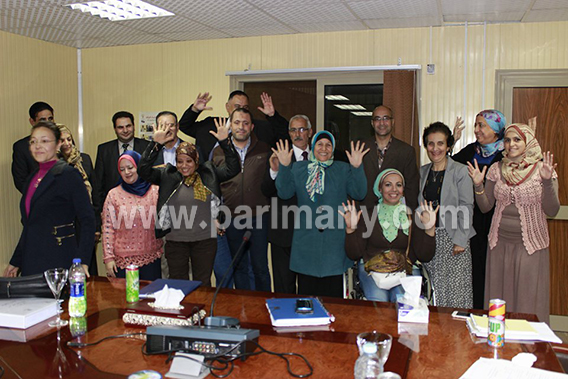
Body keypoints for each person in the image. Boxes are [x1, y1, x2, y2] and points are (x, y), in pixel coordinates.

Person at [468, 118, 559, 323]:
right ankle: (499, 344)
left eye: (517, 139)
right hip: (499, 244)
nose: (512, 144)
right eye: (508, 140)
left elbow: (552, 210)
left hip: (530, 246)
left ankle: (527, 347)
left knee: (526, 302)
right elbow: (485, 206)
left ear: (528, 142)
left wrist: (546, 182)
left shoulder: (542, 170)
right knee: (499, 301)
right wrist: (478, 186)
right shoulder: (496, 169)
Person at [138, 117, 240, 286]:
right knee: (178, 285)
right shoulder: (168, 175)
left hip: (205, 241)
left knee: (203, 283)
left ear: (196, 160)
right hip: (176, 242)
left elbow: (233, 168)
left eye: (188, 161)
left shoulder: (209, 173)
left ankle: (203, 313)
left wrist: (225, 142)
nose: (184, 166)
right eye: (180, 161)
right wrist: (155, 144)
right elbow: (143, 170)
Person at [273, 131, 368, 298]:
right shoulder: (299, 168)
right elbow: (284, 193)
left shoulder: (342, 169)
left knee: (333, 303)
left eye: (328, 145)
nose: (324, 149)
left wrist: (357, 167)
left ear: (333, 148)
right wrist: (284, 167)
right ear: (312, 147)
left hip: (334, 245)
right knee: (307, 303)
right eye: (319, 144)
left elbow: (359, 193)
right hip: (306, 244)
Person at [4, 121, 95, 277]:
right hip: (31, 260)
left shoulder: (68, 174)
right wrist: (15, 261)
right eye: (33, 141)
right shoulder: (32, 178)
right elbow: (30, 226)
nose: (38, 146)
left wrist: (83, 262)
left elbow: (87, 220)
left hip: (59, 258)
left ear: (58, 144)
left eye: (45, 141)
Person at [342, 169, 438, 302]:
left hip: (404, 270)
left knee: (403, 300)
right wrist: (350, 230)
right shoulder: (367, 215)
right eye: (388, 185)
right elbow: (354, 254)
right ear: (379, 188)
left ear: (403, 189)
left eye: (398, 185)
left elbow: (425, 256)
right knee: (378, 300)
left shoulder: (412, 217)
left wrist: (429, 230)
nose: (394, 189)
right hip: (372, 270)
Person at [211, 108, 272, 291]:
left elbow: (270, 182)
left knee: (260, 267)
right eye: (237, 123)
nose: (241, 127)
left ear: (252, 126)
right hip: (231, 217)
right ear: (231, 126)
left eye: (245, 123)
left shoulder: (264, 149)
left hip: (259, 216)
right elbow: (213, 186)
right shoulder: (219, 152)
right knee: (239, 266)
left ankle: (265, 306)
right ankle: (243, 307)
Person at [452, 110, 507, 309]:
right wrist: (452, 141)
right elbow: (448, 166)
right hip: (474, 222)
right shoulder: (470, 151)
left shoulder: (506, 154)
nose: (476, 130)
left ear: (496, 129)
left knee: (497, 273)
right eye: (476, 125)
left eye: (481, 125)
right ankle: (478, 314)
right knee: (476, 271)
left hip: (498, 222)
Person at [419, 122, 475, 308]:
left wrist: (461, 239)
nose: (435, 149)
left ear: (448, 145)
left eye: (440, 143)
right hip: (430, 238)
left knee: (457, 295)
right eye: (431, 144)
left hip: (454, 239)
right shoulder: (422, 172)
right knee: (434, 294)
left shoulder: (460, 171)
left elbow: (467, 205)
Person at [261, 115, 313, 294]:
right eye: (293, 130)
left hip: (311, 234)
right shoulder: (278, 154)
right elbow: (266, 190)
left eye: (302, 129)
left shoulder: (322, 155)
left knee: (309, 288)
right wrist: (275, 170)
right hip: (283, 233)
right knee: (284, 288)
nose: (297, 134)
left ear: (310, 132)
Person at [101, 151, 162, 280]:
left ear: (139, 167)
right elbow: (108, 228)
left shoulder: (155, 191)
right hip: (123, 262)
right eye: (122, 169)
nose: (127, 172)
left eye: (130, 167)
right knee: (125, 299)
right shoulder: (113, 195)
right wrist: (108, 258)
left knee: (151, 298)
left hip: (151, 259)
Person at [179, 91, 289, 160]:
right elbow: (184, 126)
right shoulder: (211, 124)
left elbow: (285, 135)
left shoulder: (259, 127)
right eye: (237, 106)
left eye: (245, 107)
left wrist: (272, 116)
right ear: (227, 107)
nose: (241, 110)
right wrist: (194, 110)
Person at [94, 111, 150, 229]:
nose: (125, 130)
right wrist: (100, 212)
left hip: (143, 208)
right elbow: (98, 183)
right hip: (113, 209)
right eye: (120, 127)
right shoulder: (104, 150)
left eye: (128, 126)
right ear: (115, 129)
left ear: (134, 126)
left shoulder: (147, 147)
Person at [360, 105, 420, 213]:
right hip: (364, 212)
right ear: (372, 123)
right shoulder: (360, 148)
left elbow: (412, 188)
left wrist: (410, 216)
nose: (382, 123)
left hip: (395, 215)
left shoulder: (406, 151)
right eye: (377, 119)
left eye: (386, 118)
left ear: (393, 122)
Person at [58, 124, 100, 276]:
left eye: (69, 139)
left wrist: (96, 226)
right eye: (62, 140)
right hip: (66, 225)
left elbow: (95, 192)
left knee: (88, 265)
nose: (67, 143)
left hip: (84, 222)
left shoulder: (84, 160)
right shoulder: (55, 166)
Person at [12, 101, 55, 193]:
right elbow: (20, 181)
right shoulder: (22, 147)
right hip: (37, 200)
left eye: (50, 119)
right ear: (32, 121)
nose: (48, 123)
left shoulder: (62, 141)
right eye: (43, 120)